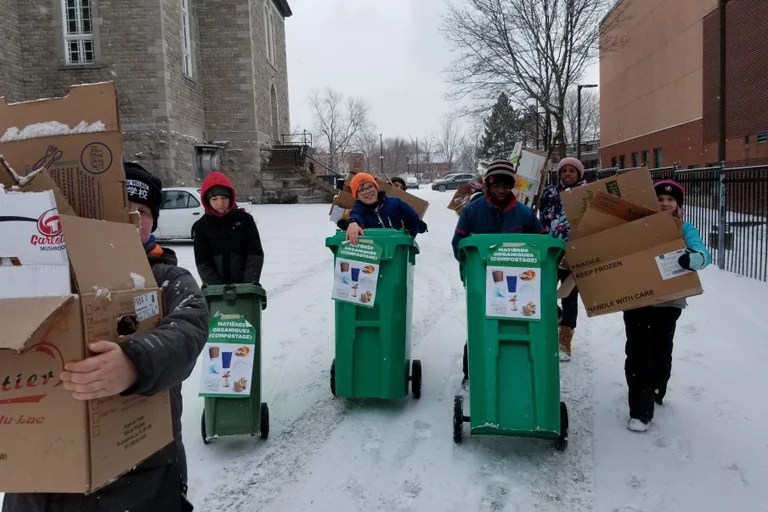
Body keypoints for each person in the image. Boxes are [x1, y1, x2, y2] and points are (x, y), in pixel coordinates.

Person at [3, 162, 208, 512]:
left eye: (143, 211)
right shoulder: (45, 272)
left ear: (154, 222)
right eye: (123, 204)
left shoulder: (167, 278)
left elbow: (190, 326)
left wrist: (135, 362)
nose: (132, 216)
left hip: (142, 477)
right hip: (40, 481)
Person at [623, 180, 710, 432]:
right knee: (638, 353)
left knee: (661, 352)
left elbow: (703, 254)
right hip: (637, 299)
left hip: (670, 301)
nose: (665, 203)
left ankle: (657, 389)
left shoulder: (685, 228)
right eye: (660, 199)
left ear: (678, 205)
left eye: (670, 200)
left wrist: (693, 258)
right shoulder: (637, 226)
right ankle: (640, 412)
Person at [452, 159, 545, 385]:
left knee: (515, 326)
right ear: (488, 186)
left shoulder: (523, 213)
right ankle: (471, 374)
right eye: (496, 186)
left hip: (518, 282)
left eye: (505, 186)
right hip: (482, 281)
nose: (501, 190)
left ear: (512, 186)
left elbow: (540, 241)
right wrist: (470, 268)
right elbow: (458, 244)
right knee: (480, 326)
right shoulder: (472, 211)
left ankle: (512, 371)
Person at [539, 157, 588, 362]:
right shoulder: (549, 192)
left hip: (573, 253)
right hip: (549, 251)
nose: (567, 174)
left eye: (572, 170)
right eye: (564, 171)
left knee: (570, 298)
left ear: (579, 174)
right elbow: (536, 208)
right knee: (543, 292)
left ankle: (565, 340)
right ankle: (555, 318)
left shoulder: (587, 193)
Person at [193, 171, 264, 285]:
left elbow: (254, 254)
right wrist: (217, 288)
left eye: (224, 197)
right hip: (216, 290)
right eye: (214, 199)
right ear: (207, 200)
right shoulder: (202, 227)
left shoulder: (245, 220)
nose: (220, 203)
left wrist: (248, 285)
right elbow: (203, 262)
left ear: (231, 197)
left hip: (245, 286)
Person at [345, 172, 421, 245]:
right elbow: (356, 216)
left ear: (376, 188)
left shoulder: (395, 203)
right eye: (362, 190)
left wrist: (409, 237)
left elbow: (412, 217)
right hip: (375, 251)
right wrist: (353, 223)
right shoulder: (359, 210)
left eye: (370, 187)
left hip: (397, 249)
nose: (368, 191)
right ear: (357, 196)